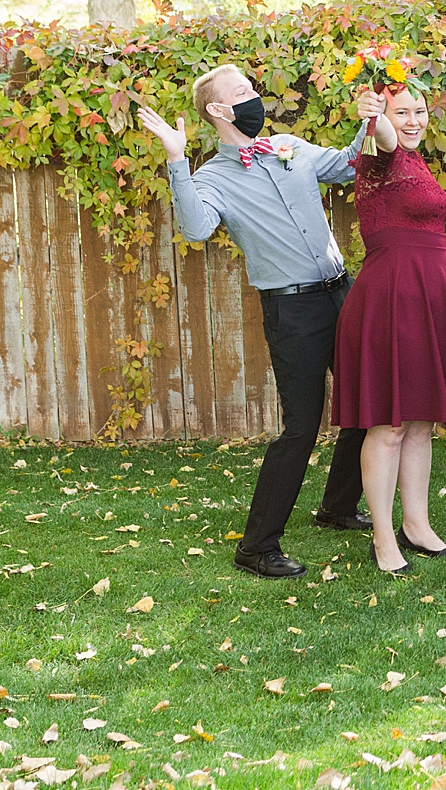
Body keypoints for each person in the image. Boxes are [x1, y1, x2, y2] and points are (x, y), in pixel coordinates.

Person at [137, 70, 375, 579]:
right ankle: (257, 546)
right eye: (241, 94)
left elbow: (348, 167)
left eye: (252, 90)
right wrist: (177, 160)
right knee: (301, 426)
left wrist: (368, 123)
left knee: (366, 402)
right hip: (293, 311)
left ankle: (337, 507)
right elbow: (197, 228)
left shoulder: (287, 146)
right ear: (218, 111)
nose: (254, 99)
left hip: (341, 292)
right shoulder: (212, 179)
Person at [330, 81, 446, 574]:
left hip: (431, 296)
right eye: (404, 112)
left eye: (420, 111)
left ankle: (417, 526)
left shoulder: (418, 162)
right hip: (392, 298)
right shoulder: (384, 157)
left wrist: (390, 115)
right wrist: (377, 115)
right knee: (390, 424)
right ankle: (383, 537)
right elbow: (380, 133)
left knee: (420, 421)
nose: (415, 121)